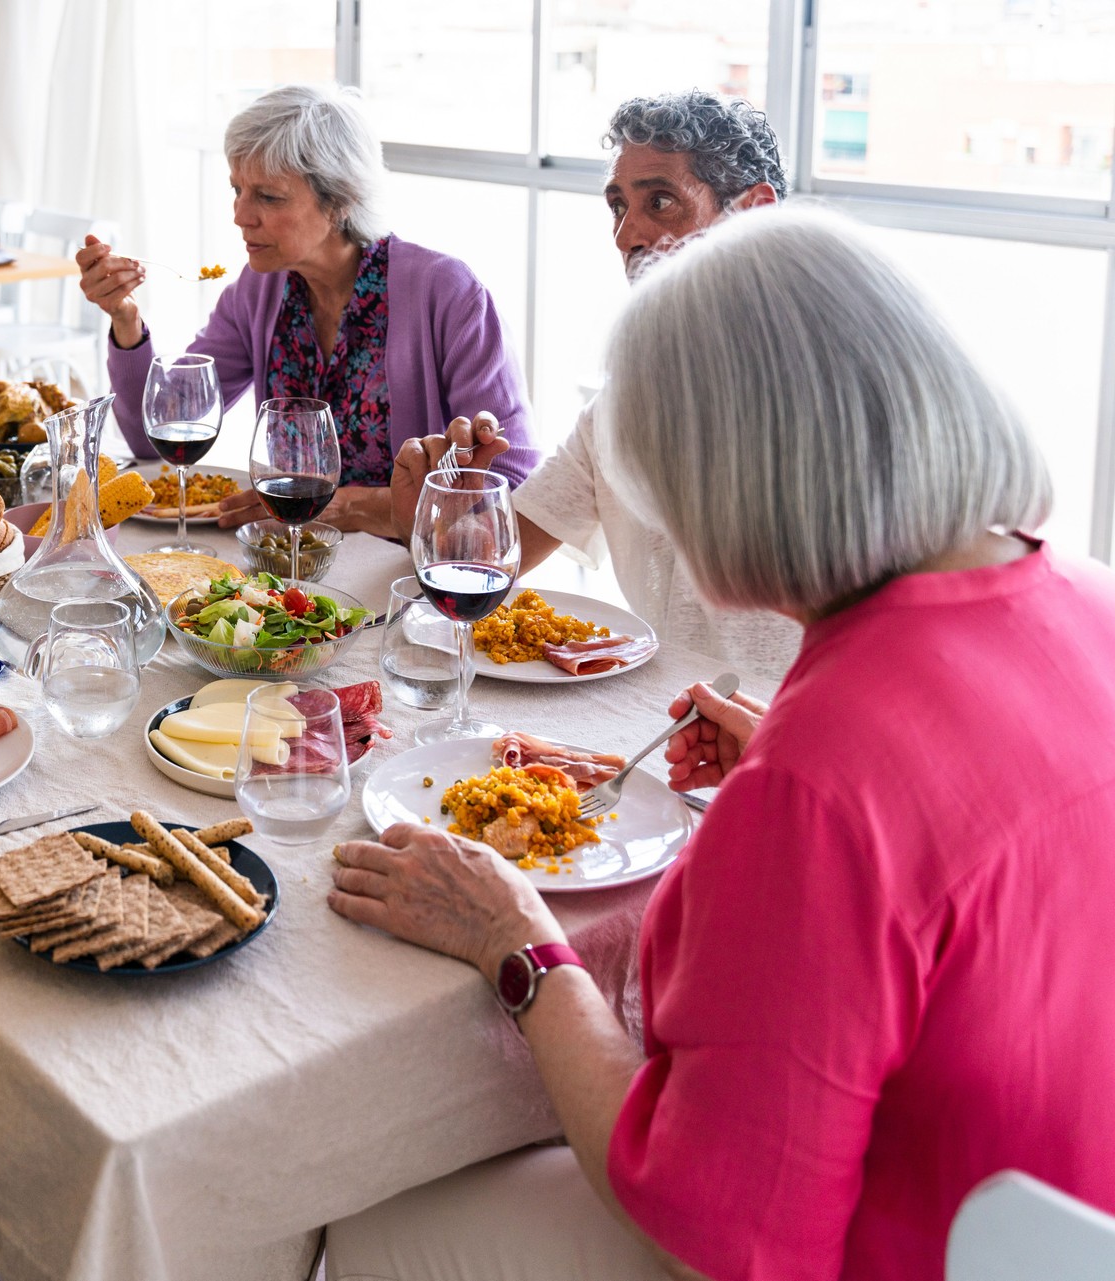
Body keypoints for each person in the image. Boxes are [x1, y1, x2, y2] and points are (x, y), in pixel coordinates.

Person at [323, 207, 1115, 1279]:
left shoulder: (822, 781)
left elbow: (714, 1230)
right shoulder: (1086, 599)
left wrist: (517, 945)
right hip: (1060, 1222)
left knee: (362, 1208)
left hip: (892, 1251)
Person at [392, 90, 803, 675]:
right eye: (618, 206)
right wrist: (441, 507)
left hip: (799, 734)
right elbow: (493, 559)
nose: (626, 235)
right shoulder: (625, 406)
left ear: (753, 213)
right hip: (670, 721)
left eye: (661, 201)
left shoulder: (830, 400)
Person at [77, 83, 537, 539]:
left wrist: (353, 507)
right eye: (236, 189)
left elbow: (514, 482)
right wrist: (125, 319)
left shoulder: (446, 293)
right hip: (286, 571)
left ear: (340, 199)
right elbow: (155, 438)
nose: (240, 214)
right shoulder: (258, 290)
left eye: (268, 197)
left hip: (406, 578)